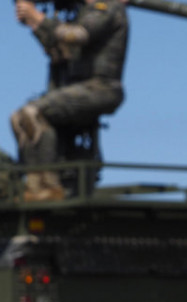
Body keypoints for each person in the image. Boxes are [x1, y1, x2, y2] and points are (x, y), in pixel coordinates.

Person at [10, 0, 128, 201]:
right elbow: (61, 51)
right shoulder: (84, 12)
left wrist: (39, 18)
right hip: (81, 87)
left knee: (33, 113)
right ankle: (35, 183)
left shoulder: (106, 7)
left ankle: (48, 185)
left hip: (101, 87)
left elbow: (77, 35)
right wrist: (34, 23)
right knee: (18, 118)